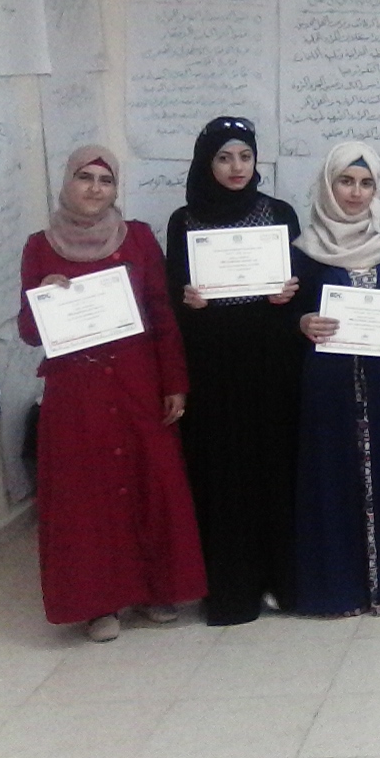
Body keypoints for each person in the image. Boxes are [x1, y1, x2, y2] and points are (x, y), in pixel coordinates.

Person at [17, 147, 207, 642]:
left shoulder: (137, 237)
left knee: (149, 484)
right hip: (76, 390)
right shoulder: (40, 247)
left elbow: (161, 313)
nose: (95, 188)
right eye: (85, 177)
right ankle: (98, 604)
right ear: (67, 182)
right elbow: (29, 332)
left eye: (106, 180)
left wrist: (175, 382)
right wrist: (44, 297)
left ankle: (155, 590)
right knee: (88, 497)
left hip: (136, 382)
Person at [167, 116, 302, 626]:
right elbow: (171, 295)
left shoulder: (279, 213)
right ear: (207, 162)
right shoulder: (184, 220)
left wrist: (287, 297)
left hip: (269, 365)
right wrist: (188, 301)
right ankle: (232, 588)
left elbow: (302, 295)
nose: (236, 167)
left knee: (274, 468)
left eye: (245, 156)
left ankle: (281, 579)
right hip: (214, 369)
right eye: (224, 157)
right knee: (222, 474)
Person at [291, 143, 380, 616]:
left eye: (366, 183)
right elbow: (288, 313)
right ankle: (339, 586)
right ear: (329, 185)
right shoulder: (305, 251)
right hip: (328, 385)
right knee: (331, 479)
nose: (355, 192)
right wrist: (301, 322)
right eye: (346, 181)